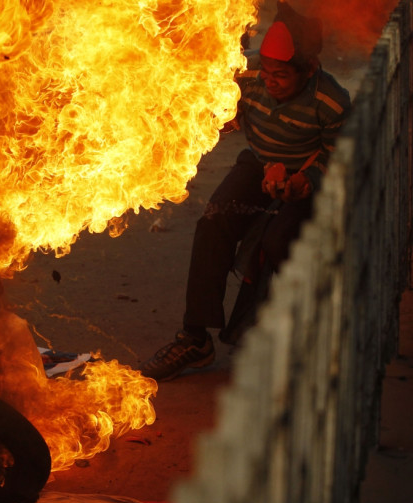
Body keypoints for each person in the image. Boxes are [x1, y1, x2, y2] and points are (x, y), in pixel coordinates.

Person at [139, 1, 352, 381]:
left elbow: (336, 158)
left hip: (307, 179)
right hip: (258, 165)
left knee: (279, 242)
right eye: (267, 71)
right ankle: (195, 338)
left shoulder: (331, 101)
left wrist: (304, 180)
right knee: (213, 222)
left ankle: (291, 343)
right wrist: (219, 117)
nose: (270, 81)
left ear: (309, 70)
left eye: (281, 75)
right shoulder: (247, 73)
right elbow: (222, 116)